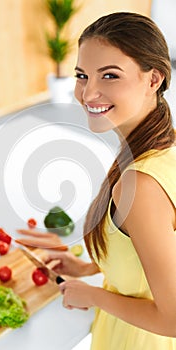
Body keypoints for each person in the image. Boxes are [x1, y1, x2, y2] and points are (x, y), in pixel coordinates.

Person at [45, 12, 176, 349]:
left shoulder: (141, 185)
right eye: (82, 75)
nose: (89, 93)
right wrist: (89, 267)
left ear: (153, 79)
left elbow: (173, 317)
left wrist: (94, 295)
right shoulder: (164, 148)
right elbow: (153, 253)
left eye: (110, 75)